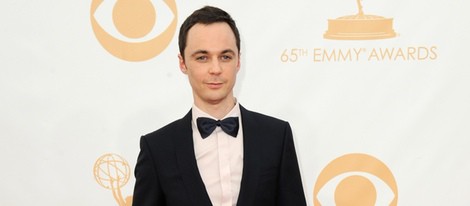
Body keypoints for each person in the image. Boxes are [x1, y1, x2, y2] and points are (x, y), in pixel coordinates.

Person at [132, 6, 307, 206]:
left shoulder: (277, 137)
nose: (215, 69)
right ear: (183, 63)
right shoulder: (157, 148)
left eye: (225, 57)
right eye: (202, 58)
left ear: (238, 60)